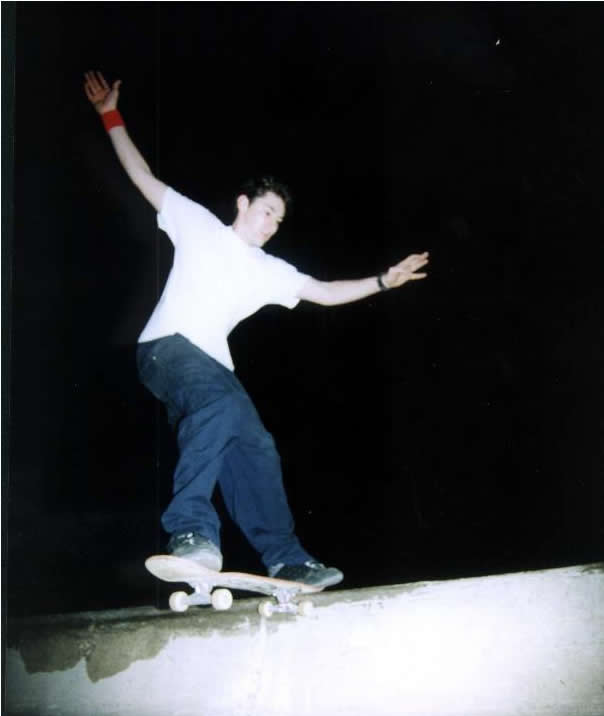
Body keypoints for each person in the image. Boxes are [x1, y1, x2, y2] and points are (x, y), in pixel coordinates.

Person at [84, 70, 429, 591]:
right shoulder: (198, 224)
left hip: (212, 368)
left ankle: (286, 560)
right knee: (221, 405)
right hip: (166, 349)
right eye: (266, 211)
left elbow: (326, 292)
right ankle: (191, 533)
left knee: (256, 447)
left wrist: (383, 281)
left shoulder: (272, 271)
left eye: (278, 221)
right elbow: (140, 174)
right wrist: (110, 115)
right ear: (243, 204)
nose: (270, 225)